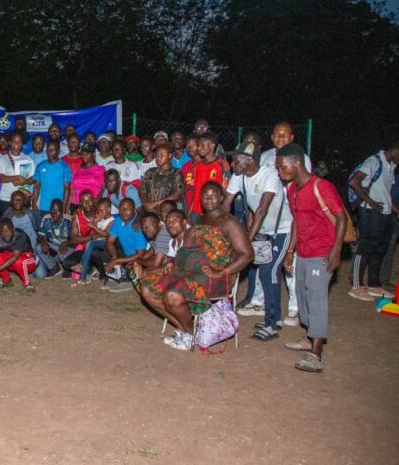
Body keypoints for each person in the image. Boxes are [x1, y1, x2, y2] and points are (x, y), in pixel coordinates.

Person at [140, 182, 254, 351]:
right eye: (205, 195)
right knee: (147, 290)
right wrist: (171, 264)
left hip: (212, 277)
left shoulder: (230, 222)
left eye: (213, 195)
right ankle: (185, 329)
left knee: (172, 295)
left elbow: (248, 255)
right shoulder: (201, 219)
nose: (209, 199)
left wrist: (222, 272)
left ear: (222, 197)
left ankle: (188, 334)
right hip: (187, 271)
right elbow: (188, 248)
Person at [278, 143, 347, 373]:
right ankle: (310, 337)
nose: (279, 172)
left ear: (296, 163)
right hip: (304, 251)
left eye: (282, 167)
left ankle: (316, 354)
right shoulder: (292, 190)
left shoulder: (322, 186)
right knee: (302, 296)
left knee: (317, 299)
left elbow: (341, 218)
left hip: (322, 252)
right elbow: (297, 222)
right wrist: (290, 251)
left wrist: (335, 250)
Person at [223, 141, 294, 340]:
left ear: (250, 159)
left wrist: (246, 241)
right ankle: (275, 318)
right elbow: (226, 205)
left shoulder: (269, 175)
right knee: (264, 273)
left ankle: (271, 324)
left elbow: (262, 210)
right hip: (262, 232)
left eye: (236, 160)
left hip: (282, 230)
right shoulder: (239, 177)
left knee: (269, 271)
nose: (232, 164)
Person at [348, 141, 399, 300]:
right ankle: (356, 285)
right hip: (370, 211)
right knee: (365, 247)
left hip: (384, 212)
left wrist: (396, 211)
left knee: (380, 248)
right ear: (396, 150)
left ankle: (374, 284)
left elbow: (385, 193)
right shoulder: (374, 161)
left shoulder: (390, 166)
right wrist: (369, 201)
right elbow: (354, 181)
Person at [0, 219, 38, 292]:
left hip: (29, 259)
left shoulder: (20, 235)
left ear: (13, 229)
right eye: (2, 232)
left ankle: (27, 284)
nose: (5, 233)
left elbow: (14, 258)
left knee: (18, 261)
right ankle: (7, 281)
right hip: (12, 260)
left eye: (8, 231)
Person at [103, 198, 148, 292]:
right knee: (105, 253)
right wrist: (114, 258)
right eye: (122, 208)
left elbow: (140, 255)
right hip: (127, 255)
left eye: (128, 208)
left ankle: (126, 281)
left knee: (131, 269)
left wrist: (117, 261)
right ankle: (118, 274)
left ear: (134, 210)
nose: (124, 211)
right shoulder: (118, 220)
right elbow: (109, 241)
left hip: (141, 257)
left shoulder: (138, 225)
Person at [188, 132, 230, 218]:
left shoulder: (222, 165)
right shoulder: (196, 166)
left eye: (203, 145)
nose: (199, 148)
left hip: (213, 212)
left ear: (212, 145)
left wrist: (221, 214)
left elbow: (226, 192)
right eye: (198, 145)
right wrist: (190, 212)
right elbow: (195, 192)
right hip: (196, 213)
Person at [0, 133, 35, 215]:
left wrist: (24, 182)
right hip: (6, 198)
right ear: (10, 142)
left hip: (22, 199)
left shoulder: (28, 159)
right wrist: (16, 177)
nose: (17, 144)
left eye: (19, 142)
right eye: (14, 141)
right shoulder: (3, 159)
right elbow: (1, 178)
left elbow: (34, 178)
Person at [34, 199, 73, 279]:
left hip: (65, 249)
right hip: (53, 248)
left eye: (57, 211)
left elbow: (75, 240)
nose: (54, 213)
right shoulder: (46, 218)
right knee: (38, 247)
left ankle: (67, 268)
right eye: (52, 210)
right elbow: (41, 235)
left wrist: (67, 243)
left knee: (63, 253)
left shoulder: (69, 220)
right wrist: (43, 241)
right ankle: (54, 267)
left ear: (62, 210)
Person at [139, 145, 183, 213]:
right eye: (157, 155)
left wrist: (155, 204)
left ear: (170, 155)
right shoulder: (150, 171)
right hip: (148, 210)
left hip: (167, 211)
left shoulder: (175, 172)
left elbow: (177, 194)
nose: (159, 158)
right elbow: (142, 190)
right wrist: (147, 204)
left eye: (162, 155)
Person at [32, 140, 72, 215]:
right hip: (43, 207)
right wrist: (34, 203)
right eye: (48, 149)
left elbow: (67, 189)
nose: (49, 152)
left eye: (52, 150)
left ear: (58, 151)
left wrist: (64, 208)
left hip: (58, 208)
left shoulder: (65, 166)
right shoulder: (40, 166)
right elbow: (36, 186)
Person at [69, 143, 105, 214]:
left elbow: (104, 189)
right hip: (76, 205)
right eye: (83, 154)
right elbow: (72, 191)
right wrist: (67, 208)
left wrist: (94, 203)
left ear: (93, 154)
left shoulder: (101, 170)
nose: (84, 156)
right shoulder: (77, 170)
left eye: (87, 154)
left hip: (93, 205)